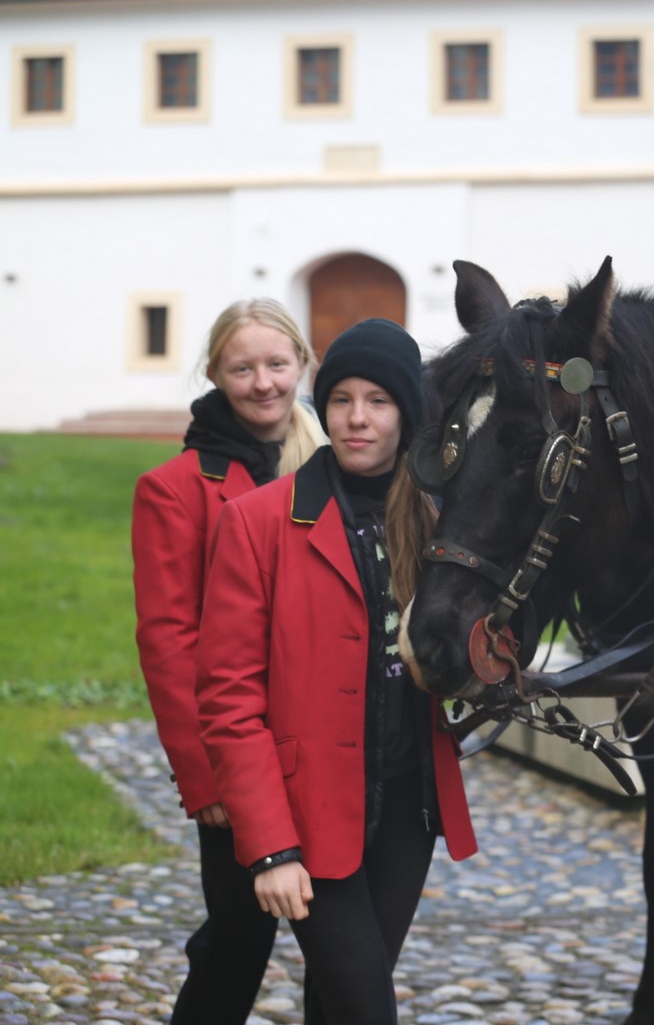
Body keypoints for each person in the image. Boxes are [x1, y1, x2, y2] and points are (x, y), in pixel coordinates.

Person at [196, 318, 477, 1025]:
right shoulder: (256, 522)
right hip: (308, 820)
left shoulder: (446, 523)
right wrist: (271, 850)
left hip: (408, 811)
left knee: (339, 1002)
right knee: (365, 1010)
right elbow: (228, 700)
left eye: (378, 401)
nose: (356, 419)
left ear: (407, 412)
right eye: (342, 398)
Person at [132, 298, 325, 1025]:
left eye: (278, 364)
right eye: (242, 368)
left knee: (344, 949)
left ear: (302, 363)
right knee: (240, 941)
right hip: (237, 752)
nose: (264, 383)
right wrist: (204, 775)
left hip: (329, 743)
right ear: (214, 373)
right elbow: (168, 641)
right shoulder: (174, 489)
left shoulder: (338, 462)